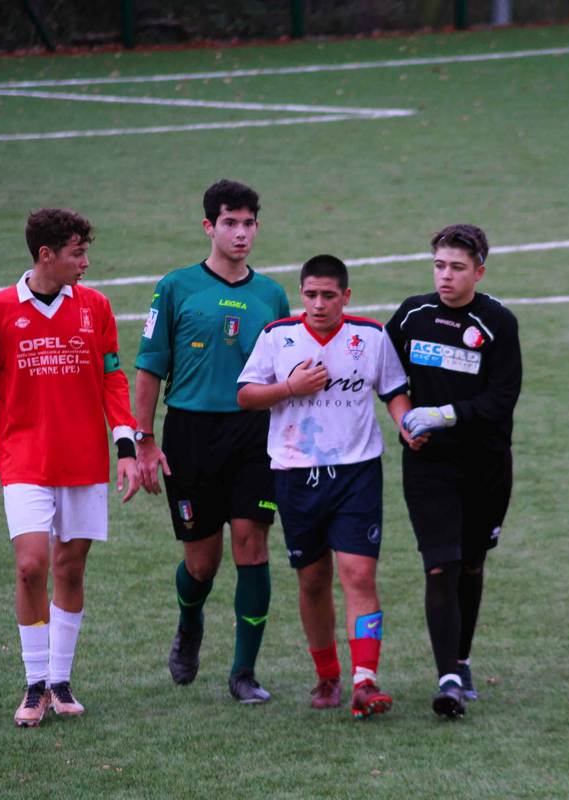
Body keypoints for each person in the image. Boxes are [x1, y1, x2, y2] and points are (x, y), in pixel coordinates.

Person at [0, 208, 141, 727]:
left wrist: (125, 444)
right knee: (31, 565)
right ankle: (34, 683)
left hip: (84, 459)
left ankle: (60, 680)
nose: (86, 262)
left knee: (70, 568)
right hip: (24, 459)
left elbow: (112, 377)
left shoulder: (95, 307)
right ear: (46, 255)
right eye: (78, 253)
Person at [236, 254, 419, 718]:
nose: (318, 304)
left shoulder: (371, 337)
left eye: (329, 295)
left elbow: (394, 391)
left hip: (357, 472)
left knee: (358, 574)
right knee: (313, 580)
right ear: (301, 294)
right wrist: (289, 388)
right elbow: (246, 395)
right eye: (311, 295)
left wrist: (405, 424)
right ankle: (327, 675)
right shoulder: (278, 336)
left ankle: (365, 680)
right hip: (296, 474)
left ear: (346, 296)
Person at [134, 179, 290, 704]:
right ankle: (190, 623)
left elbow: (282, 372)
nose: (240, 233)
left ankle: (244, 672)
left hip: (254, 434)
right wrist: (143, 440)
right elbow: (150, 367)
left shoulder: (272, 296)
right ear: (209, 226)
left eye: (248, 223)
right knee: (202, 563)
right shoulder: (175, 287)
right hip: (191, 434)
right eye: (230, 223)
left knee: (252, 544)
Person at [386, 223, 522, 719]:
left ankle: (461, 659)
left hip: (485, 466)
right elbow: (387, 375)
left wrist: (442, 415)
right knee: (440, 563)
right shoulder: (412, 315)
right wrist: (405, 422)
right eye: (439, 265)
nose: (445, 276)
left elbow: (501, 399)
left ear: (479, 272)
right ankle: (447, 679)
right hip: (429, 465)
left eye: (457, 268)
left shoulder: (498, 323)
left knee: (470, 563)